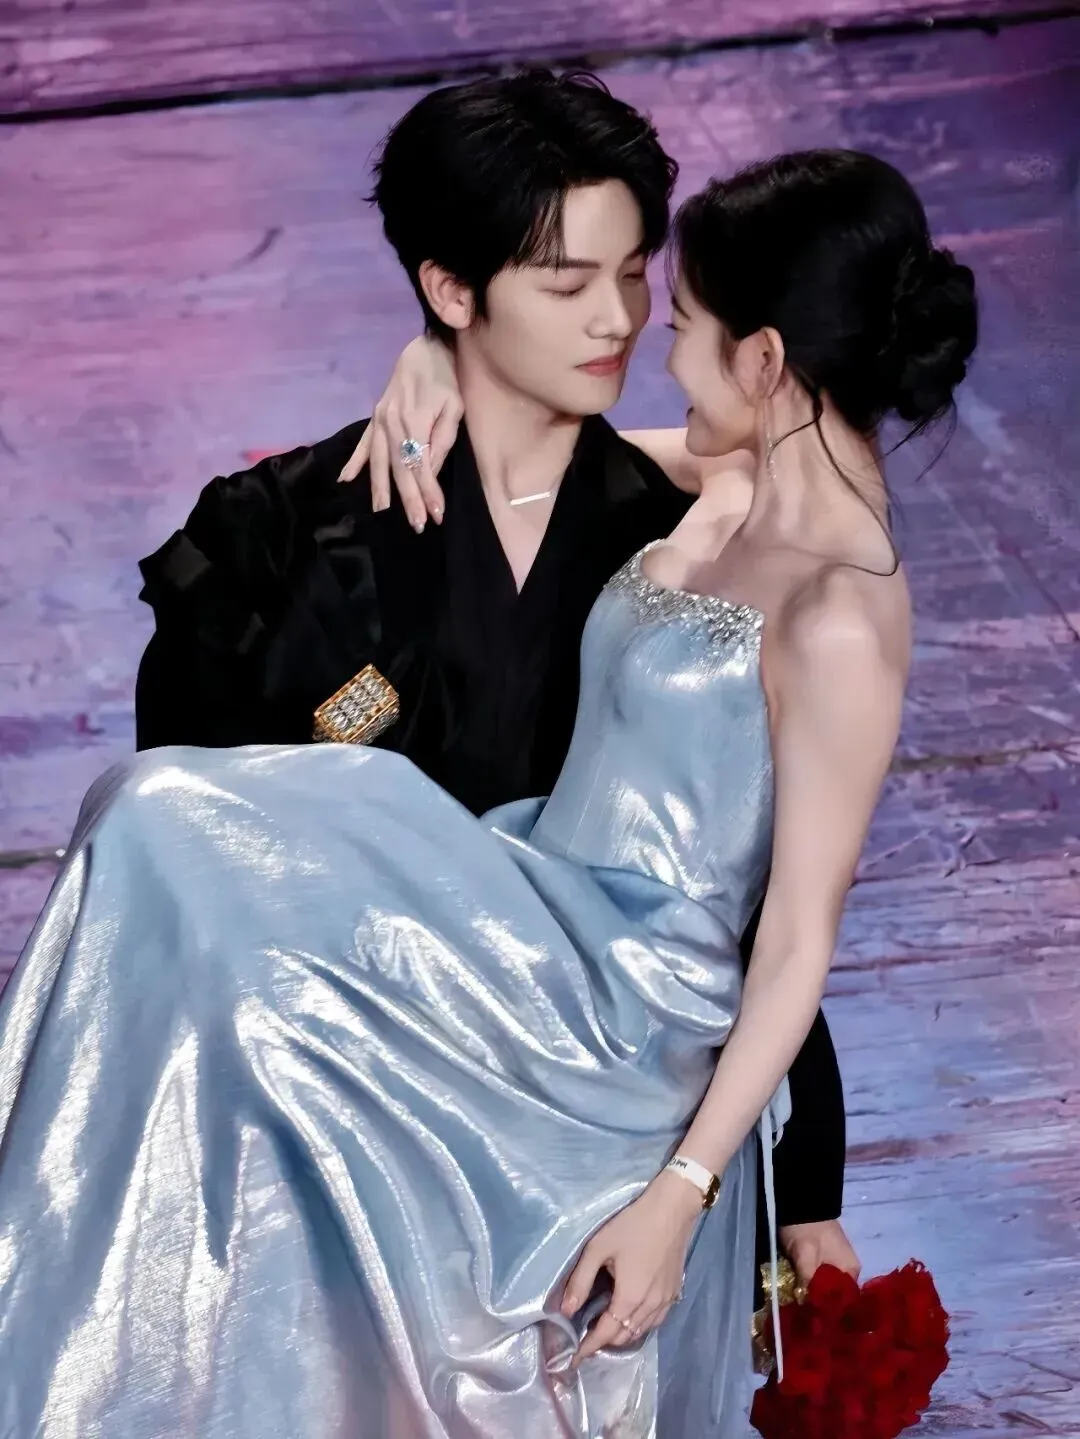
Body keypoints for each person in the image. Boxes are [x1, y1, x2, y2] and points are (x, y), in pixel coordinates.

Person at [0, 142, 976, 1435]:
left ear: (763, 358)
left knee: (187, 860)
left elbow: (796, 938)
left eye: (677, 320)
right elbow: (525, 435)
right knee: (162, 829)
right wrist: (435, 357)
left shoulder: (844, 615)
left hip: (622, 1008)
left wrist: (685, 1191)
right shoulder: (730, 482)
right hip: (524, 902)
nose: (650, 343)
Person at [134, 70, 855, 1291]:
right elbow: (192, 889)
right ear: (450, 287)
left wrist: (808, 1176)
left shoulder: (679, 547)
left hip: (589, 1146)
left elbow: (737, 882)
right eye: (566, 285)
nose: (615, 320)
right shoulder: (275, 541)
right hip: (327, 1153)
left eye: (635, 275)